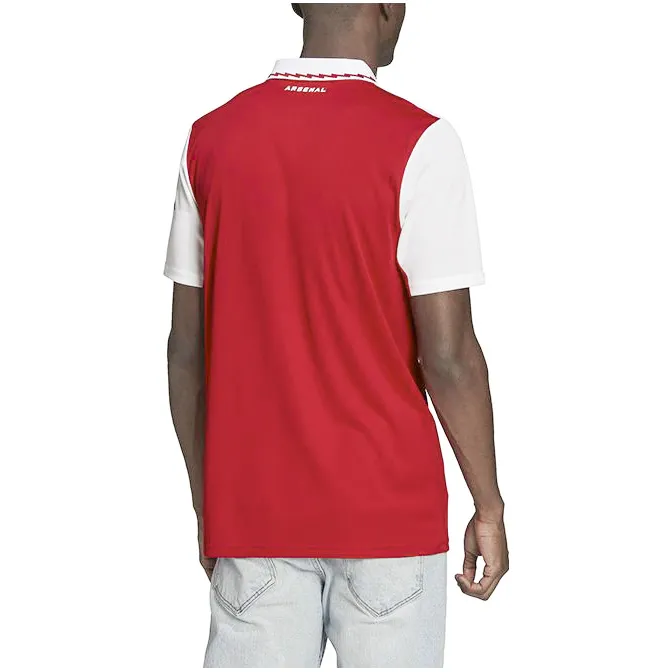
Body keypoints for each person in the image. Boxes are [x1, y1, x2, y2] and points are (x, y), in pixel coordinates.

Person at [164, 3, 508, 667]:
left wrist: (210, 505)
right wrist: (488, 505)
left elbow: (186, 354)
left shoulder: (210, 140)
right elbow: (449, 357)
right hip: (389, 522)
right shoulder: (422, 142)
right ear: (389, 7)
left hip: (254, 520)